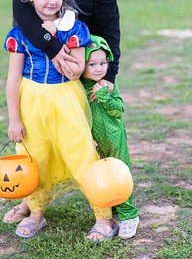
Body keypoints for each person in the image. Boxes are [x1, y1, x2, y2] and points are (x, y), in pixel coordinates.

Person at [3, 0, 119, 240]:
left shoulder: (75, 29)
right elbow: (13, 80)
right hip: (31, 101)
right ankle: (36, 212)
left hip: (66, 97)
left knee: (80, 151)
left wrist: (54, 37)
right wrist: (14, 119)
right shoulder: (20, 35)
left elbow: (77, 69)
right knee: (35, 157)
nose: (52, 1)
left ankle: (104, 217)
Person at [81, 34, 140, 239]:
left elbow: (118, 110)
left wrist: (105, 96)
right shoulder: (80, 88)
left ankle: (129, 214)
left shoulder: (108, 85)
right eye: (92, 64)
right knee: (102, 176)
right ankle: (110, 209)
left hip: (115, 137)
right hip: (95, 140)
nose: (99, 68)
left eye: (103, 63)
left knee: (121, 172)